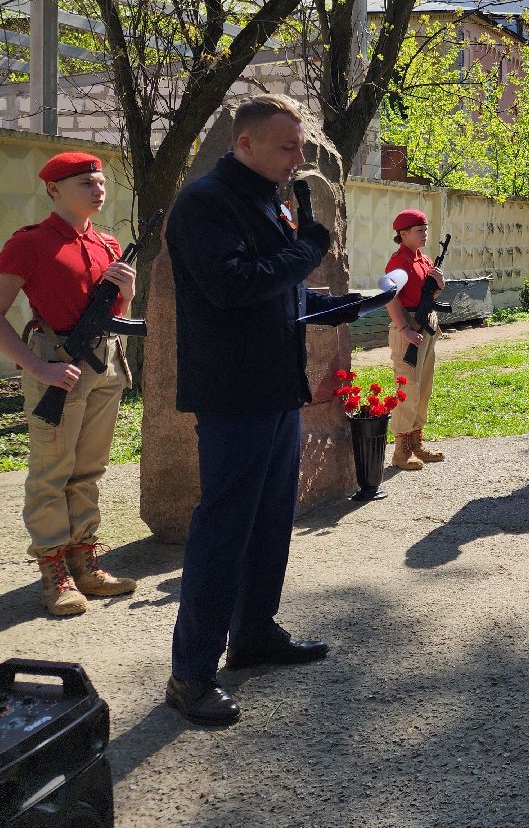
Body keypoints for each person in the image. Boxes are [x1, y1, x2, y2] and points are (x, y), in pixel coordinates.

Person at [166, 94, 363, 725]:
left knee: (271, 519)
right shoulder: (205, 203)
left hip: (277, 390)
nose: (298, 159)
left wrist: (337, 302)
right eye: (287, 147)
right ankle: (190, 673)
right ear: (244, 143)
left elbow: (278, 290)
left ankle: (254, 633)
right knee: (223, 529)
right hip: (233, 396)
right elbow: (233, 285)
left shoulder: (266, 201)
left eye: (301, 146)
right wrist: (306, 249)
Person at [0, 152, 138, 616]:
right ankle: (53, 571)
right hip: (55, 364)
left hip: (104, 366)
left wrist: (128, 294)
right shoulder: (30, 243)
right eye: (85, 183)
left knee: (90, 468)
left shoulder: (108, 244)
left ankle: (85, 562)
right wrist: (36, 370)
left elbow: (114, 316)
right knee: (51, 472)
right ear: (54, 190)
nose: (98, 190)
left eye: (100, 182)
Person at [384, 209, 446, 471]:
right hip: (408, 325)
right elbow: (390, 297)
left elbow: (429, 296)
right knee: (408, 386)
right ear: (404, 233)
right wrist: (403, 329)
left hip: (426, 325)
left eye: (426, 228)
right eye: (419, 230)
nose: (425, 233)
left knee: (423, 386)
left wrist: (440, 284)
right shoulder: (399, 262)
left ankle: (416, 442)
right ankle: (401, 450)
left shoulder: (425, 260)